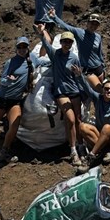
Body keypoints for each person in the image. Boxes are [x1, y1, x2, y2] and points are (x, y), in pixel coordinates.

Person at [34, 23, 84, 166]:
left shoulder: (74, 57)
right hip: (61, 93)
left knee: (79, 120)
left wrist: (79, 77)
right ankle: (73, 150)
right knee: (70, 119)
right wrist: (41, 32)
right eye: (65, 41)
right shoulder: (55, 55)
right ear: (61, 42)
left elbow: (78, 76)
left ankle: (81, 146)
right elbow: (45, 43)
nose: (67, 44)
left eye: (69, 42)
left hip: (74, 91)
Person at [0, 36, 34, 163]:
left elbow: (43, 62)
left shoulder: (31, 60)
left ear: (27, 48)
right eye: (19, 47)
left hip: (15, 100)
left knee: (15, 123)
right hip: (2, 98)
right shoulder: (11, 62)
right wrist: (8, 80)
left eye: (24, 47)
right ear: (16, 48)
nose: (22, 49)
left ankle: (4, 151)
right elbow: (2, 79)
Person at [49, 8, 105, 90]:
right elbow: (66, 26)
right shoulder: (79, 33)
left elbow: (99, 53)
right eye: (92, 23)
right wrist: (54, 17)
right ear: (87, 23)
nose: (93, 26)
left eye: (96, 24)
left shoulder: (98, 37)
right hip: (88, 70)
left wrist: (103, 66)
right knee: (100, 90)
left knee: (99, 91)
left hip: (99, 68)